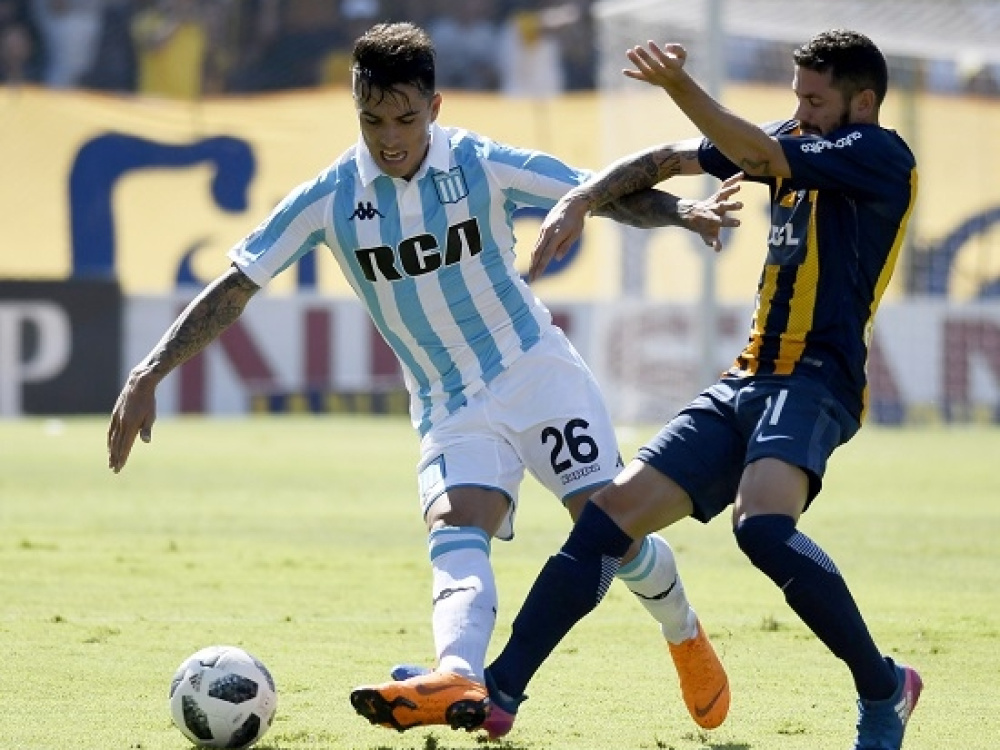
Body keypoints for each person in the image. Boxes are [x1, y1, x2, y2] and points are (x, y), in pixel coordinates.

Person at [105, 20, 740, 741]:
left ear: (434, 107)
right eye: (372, 119)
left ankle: (683, 630)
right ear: (355, 108)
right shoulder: (330, 197)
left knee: (608, 529)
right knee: (455, 524)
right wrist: (150, 369)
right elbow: (238, 283)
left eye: (406, 118)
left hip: (535, 372)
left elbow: (597, 193)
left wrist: (683, 211)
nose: (390, 137)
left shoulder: (479, 162)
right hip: (447, 402)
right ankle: (457, 677)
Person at [381, 28, 924, 750]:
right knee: (606, 520)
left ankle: (885, 688)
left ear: (863, 101)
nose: (801, 111)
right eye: (797, 96)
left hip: (816, 380)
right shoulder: (799, 138)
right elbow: (669, 157)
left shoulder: (881, 155)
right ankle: (499, 691)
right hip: (747, 377)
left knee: (762, 527)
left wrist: (678, 85)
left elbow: (759, 156)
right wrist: (582, 199)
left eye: (816, 100)